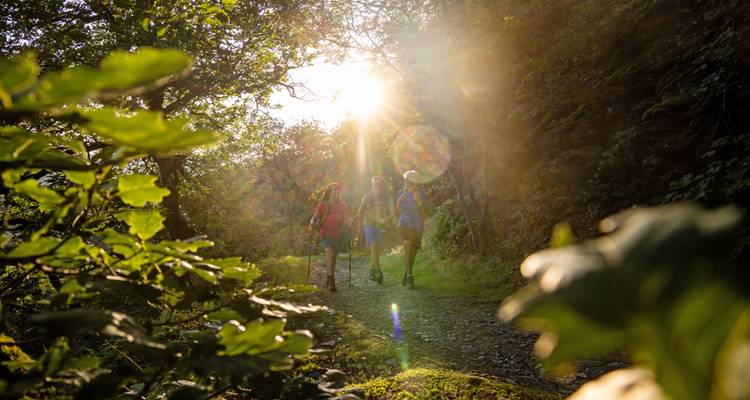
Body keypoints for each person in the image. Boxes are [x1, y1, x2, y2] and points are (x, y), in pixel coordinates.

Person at [309, 183, 349, 292]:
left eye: (338, 191)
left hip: (338, 233)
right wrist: (312, 222)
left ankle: (329, 276)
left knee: (333, 258)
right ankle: (331, 281)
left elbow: (346, 219)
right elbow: (315, 217)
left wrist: (348, 223)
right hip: (325, 232)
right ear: (330, 192)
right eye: (335, 190)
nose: (337, 192)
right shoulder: (323, 205)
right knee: (329, 254)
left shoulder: (343, 206)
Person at [357, 175, 395, 284]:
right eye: (375, 184)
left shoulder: (387, 196)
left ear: (383, 185)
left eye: (379, 184)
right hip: (369, 224)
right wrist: (360, 228)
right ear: (372, 185)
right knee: (374, 246)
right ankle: (378, 271)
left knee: (377, 249)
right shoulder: (368, 196)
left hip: (382, 225)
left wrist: (389, 218)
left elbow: (392, 211)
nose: (377, 186)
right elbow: (360, 212)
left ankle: (372, 269)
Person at [396, 170, 426, 289]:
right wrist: (402, 198)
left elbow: (424, 211)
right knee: (407, 248)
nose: (408, 182)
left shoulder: (421, 193)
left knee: (412, 253)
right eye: (407, 180)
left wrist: (417, 198)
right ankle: (409, 277)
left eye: (411, 180)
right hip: (404, 223)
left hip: (416, 225)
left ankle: (407, 272)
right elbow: (397, 210)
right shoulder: (401, 192)